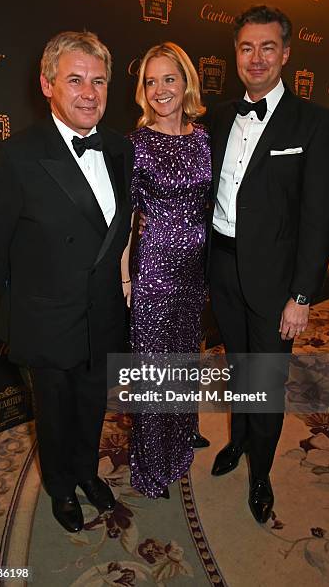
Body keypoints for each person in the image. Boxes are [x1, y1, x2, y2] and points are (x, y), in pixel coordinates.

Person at [0, 31, 133, 533]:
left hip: (103, 312)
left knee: (90, 406)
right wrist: (26, 303)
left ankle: (85, 472)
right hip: (47, 318)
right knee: (55, 415)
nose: (90, 93)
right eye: (76, 80)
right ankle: (61, 487)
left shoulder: (121, 149)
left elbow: (117, 232)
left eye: (99, 81)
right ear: (47, 85)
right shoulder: (16, 156)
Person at [209, 6, 329, 522]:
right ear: (236, 55)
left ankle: (260, 470)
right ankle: (238, 440)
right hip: (221, 267)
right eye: (246, 47)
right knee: (237, 368)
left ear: (285, 53)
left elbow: (317, 221)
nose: (256, 58)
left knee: (265, 382)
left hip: (277, 284)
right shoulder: (219, 117)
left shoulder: (314, 121)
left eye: (268, 47)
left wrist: (302, 295)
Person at [121, 42, 212, 499]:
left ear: (186, 82)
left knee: (184, 360)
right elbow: (123, 220)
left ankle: (180, 436)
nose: (160, 90)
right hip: (154, 268)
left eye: (168, 79)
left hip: (194, 272)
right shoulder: (135, 145)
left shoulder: (203, 139)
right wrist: (125, 280)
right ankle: (152, 464)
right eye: (150, 81)